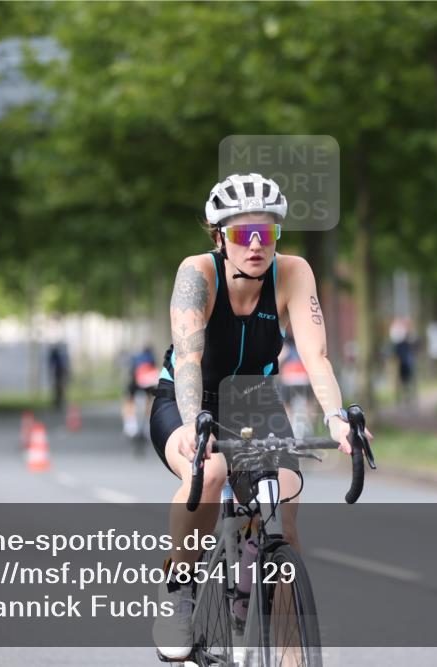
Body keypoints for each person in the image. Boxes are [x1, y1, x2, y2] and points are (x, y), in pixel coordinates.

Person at [149, 173, 372, 659]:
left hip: (253, 398)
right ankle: (178, 595)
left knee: (285, 502)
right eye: (241, 235)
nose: (255, 246)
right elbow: (188, 359)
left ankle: (286, 641)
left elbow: (317, 358)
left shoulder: (294, 273)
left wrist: (336, 418)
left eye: (265, 234)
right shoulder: (197, 274)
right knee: (207, 474)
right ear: (219, 237)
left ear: (278, 235)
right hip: (189, 397)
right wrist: (192, 424)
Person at [122, 345, 157, 438]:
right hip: (147, 382)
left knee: (129, 400)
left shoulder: (135, 357)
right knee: (149, 400)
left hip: (135, 382)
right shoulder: (151, 357)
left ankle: (130, 424)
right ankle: (147, 425)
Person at [48, 342, 70, 410]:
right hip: (58, 372)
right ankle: (58, 401)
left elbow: (53, 364)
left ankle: (59, 401)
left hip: (59, 372)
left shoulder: (56, 355)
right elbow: (52, 364)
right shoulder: (57, 354)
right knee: (58, 387)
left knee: (59, 386)